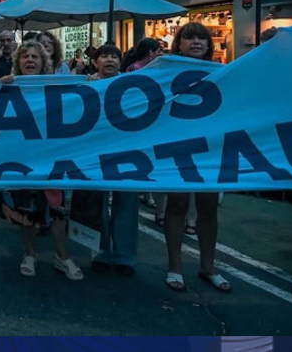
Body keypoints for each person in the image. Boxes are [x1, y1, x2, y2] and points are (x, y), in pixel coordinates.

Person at [0, 40, 83, 282]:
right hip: (23, 158)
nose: (30, 60)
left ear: (44, 62)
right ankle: (30, 254)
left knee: (55, 210)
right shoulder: (10, 85)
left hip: (51, 156)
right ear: (18, 62)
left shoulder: (56, 87)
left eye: (35, 56)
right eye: (25, 56)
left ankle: (62, 256)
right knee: (26, 210)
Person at [164, 22, 231, 293]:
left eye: (201, 38)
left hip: (210, 148)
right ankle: (175, 267)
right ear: (178, 43)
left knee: (208, 208)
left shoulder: (225, 73)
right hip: (177, 146)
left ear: (209, 45)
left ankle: (208, 266)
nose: (195, 42)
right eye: (189, 37)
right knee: (177, 205)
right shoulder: (164, 72)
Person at [88, 44, 140, 277]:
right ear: (95, 62)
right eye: (104, 56)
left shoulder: (134, 85)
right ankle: (100, 253)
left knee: (127, 203)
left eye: (114, 56)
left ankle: (124, 257)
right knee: (97, 203)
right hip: (96, 153)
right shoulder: (86, 86)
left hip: (126, 152)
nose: (109, 60)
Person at [119, 37, 165, 210]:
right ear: (151, 53)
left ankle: (147, 192)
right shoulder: (135, 69)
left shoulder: (152, 68)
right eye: (158, 50)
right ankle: (145, 193)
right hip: (137, 117)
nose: (161, 54)